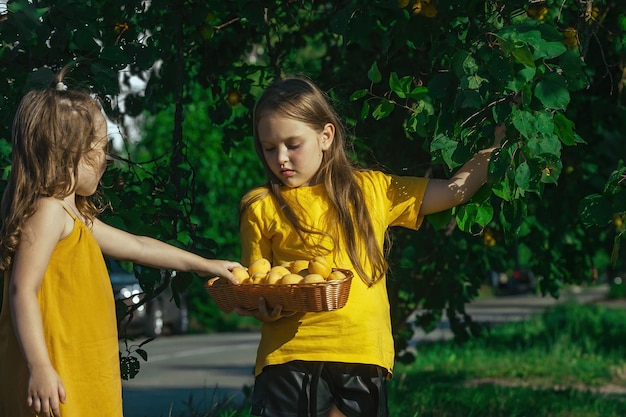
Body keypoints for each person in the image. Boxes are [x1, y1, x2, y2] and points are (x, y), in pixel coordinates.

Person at [237, 76, 505, 417]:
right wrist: (264, 307)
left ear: (326, 136)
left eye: (292, 144)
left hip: (361, 353)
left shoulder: (371, 190)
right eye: (269, 147)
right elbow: (258, 283)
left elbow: (455, 190)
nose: (281, 158)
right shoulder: (260, 205)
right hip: (289, 356)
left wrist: (497, 147)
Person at [0, 68, 242, 417]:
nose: (106, 159)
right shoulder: (47, 211)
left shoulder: (73, 217)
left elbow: (139, 247)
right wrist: (39, 366)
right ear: (70, 154)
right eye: (100, 148)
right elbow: (22, 290)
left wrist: (205, 264)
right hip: (55, 371)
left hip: (77, 368)